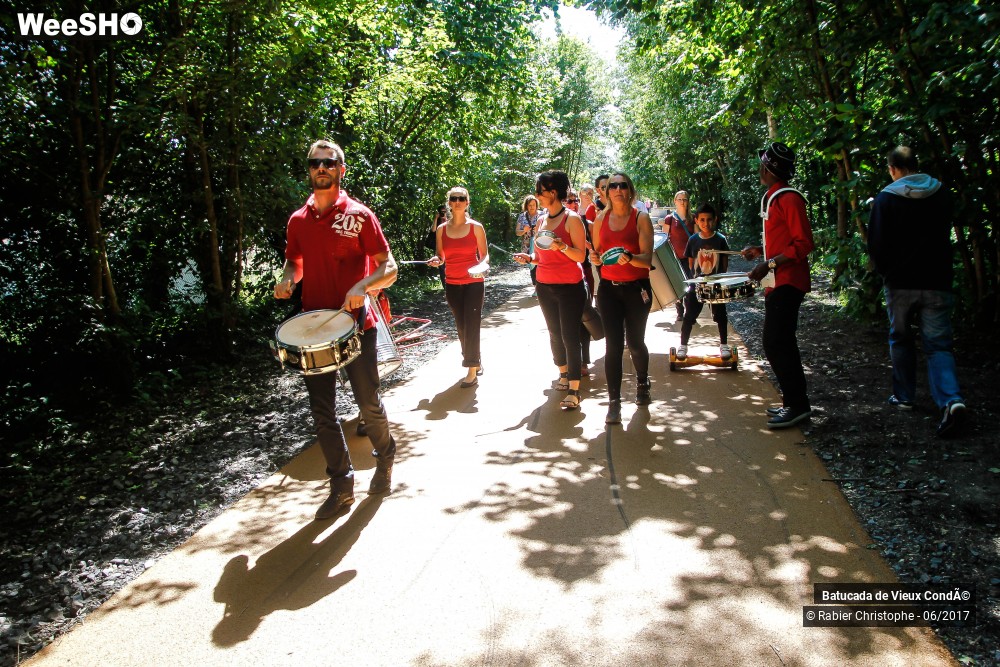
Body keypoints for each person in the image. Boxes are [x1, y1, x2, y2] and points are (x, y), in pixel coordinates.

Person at [274, 139, 399, 519]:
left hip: (358, 325)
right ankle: (341, 485)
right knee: (322, 411)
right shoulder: (298, 220)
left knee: (367, 403)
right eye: (315, 163)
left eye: (329, 163)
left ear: (341, 170)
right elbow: (294, 263)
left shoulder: (360, 215)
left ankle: (386, 456)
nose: (321, 168)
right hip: (314, 330)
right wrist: (287, 279)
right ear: (309, 170)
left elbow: (388, 266)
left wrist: (364, 286)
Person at [867, 146, 966, 436]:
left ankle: (905, 396)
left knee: (900, 338)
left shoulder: (886, 198)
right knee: (938, 344)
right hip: (937, 281)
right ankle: (951, 399)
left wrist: (886, 271)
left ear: (893, 169)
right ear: (916, 165)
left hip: (899, 284)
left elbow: (876, 245)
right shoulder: (941, 193)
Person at [741, 142, 815, 429]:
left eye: (763, 164)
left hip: (788, 281)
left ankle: (798, 405)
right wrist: (761, 252)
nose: (760, 168)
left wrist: (768, 265)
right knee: (778, 341)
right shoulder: (774, 197)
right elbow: (783, 241)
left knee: (776, 342)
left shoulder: (788, 199)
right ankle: (793, 403)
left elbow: (804, 244)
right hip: (778, 280)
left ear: (769, 169)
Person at [514, 170, 589, 410]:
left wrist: (562, 245)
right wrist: (530, 258)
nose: (537, 196)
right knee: (554, 333)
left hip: (570, 287)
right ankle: (564, 374)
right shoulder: (542, 220)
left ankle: (575, 389)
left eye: (540, 192)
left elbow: (580, 255)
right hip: (544, 285)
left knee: (570, 335)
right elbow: (541, 256)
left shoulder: (572, 219)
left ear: (552, 192)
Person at [590, 172, 654, 424]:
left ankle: (642, 381)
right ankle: (614, 403)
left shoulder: (641, 218)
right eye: (611, 186)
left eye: (622, 185)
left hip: (636, 288)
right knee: (613, 346)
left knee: (636, 343)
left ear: (630, 190)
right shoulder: (599, 219)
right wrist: (595, 259)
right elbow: (597, 255)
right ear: (606, 192)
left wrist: (631, 257)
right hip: (608, 290)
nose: (616, 189)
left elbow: (647, 260)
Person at [428, 186, 488, 388]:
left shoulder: (476, 227)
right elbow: (441, 256)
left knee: (472, 324)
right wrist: (436, 260)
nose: (457, 202)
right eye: (453, 198)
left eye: (461, 198)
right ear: (449, 203)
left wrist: (481, 265)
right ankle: (474, 358)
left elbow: (485, 255)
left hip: (473, 282)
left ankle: (471, 369)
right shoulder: (442, 229)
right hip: (452, 283)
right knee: (461, 326)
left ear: (467, 202)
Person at [676, 204, 732, 360]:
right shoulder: (693, 240)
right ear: (696, 220)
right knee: (689, 317)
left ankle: (724, 345)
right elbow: (690, 262)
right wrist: (695, 280)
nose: (705, 223)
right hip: (697, 286)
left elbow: (725, 262)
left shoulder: (720, 239)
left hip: (716, 285)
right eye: (702, 220)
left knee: (721, 315)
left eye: (709, 220)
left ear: (715, 220)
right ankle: (683, 346)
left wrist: (720, 279)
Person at [565, 189, 593, 376]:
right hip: (563, 278)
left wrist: (589, 246)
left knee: (584, 319)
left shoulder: (587, 224)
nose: (573, 204)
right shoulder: (554, 223)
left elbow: (597, 248)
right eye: (569, 201)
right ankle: (568, 362)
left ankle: (584, 361)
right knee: (566, 323)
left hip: (585, 274)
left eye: (575, 201)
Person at [666, 190, 696, 320]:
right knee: (678, 287)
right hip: (675, 258)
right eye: (680, 199)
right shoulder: (670, 219)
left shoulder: (693, 218)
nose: (682, 202)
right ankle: (680, 312)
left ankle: (690, 313)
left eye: (685, 199)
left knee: (691, 286)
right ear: (675, 201)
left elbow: (696, 238)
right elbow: (664, 239)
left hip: (689, 258)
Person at [515, 195, 542, 286]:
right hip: (527, 245)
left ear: (537, 205)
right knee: (531, 265)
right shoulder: (522, 216)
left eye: (533, 205)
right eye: (530, 205)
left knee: (540, 263)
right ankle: (535, 286)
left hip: (540, 244)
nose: (532, 207)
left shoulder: (542, 215)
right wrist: (524, 231)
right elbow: (517, 232)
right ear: (526, 206)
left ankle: (540, 285)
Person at [425, 205, 448, 287]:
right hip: (440, 248)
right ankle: (446, 287)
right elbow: (433, 231)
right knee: (442, 269)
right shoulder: (437, 222)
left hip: (449, 247)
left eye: (445, 211)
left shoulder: (450, 220)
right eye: (442, 212)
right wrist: (435, 219)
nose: (443, 213)